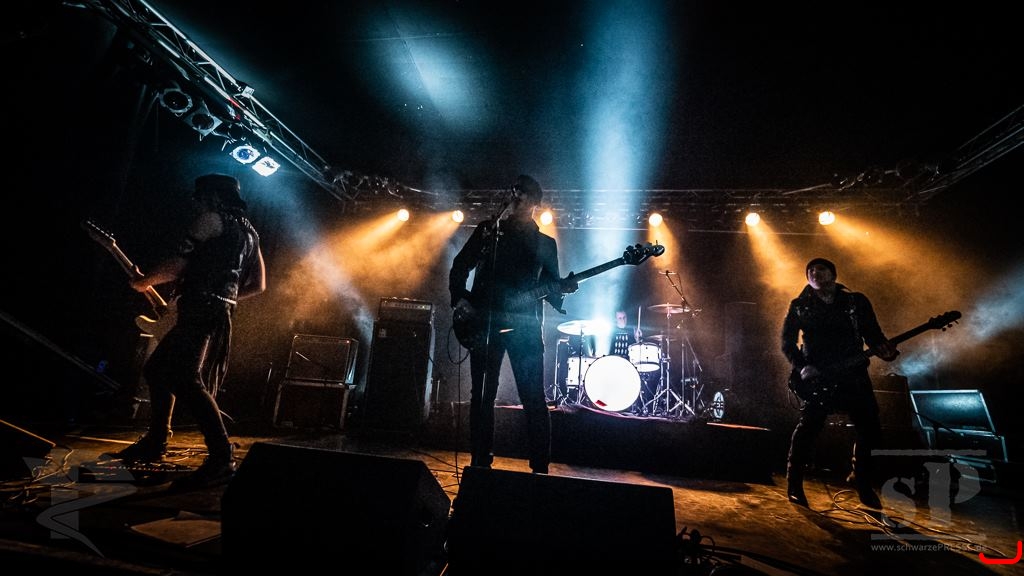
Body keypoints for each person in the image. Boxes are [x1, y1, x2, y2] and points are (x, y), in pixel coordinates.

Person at [113, 173, 266, 490]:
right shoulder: (250, 232)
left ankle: (222, 457)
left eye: (199, 196)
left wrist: (144, 281)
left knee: (186, 379)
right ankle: (156, 441)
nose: (196, 202)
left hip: (199, 308)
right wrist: (225, 298)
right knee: (157, 370)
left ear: (213, 196)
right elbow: (258, 284)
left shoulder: (211, 220)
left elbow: (178, 264)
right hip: (218, 311)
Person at [449, 174, 577, 474]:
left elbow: (551, 289)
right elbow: (460, 265)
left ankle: (540, 468)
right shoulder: (488, 231)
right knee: (482, 396)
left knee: (533, 398)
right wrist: (461, 299)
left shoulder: (545, 244)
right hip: (484, 324)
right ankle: (480, 463)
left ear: (534, 202)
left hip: (525, 328)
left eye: (523, 193)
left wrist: (564, 289)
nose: (516, 196)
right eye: (513, 191)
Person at [781, 258, 898, 508]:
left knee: (870, 429)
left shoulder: (856, 302)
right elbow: (787, 343)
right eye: (810, 270)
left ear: (833, 274)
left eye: (821, 269)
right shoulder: (800, 305)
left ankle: (862, 480)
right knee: (809, 427)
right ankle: (794, 483)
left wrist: (887, 351)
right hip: (819, 376)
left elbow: (873, 334)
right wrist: (803, 367)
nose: (815, 273)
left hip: (853, 374)